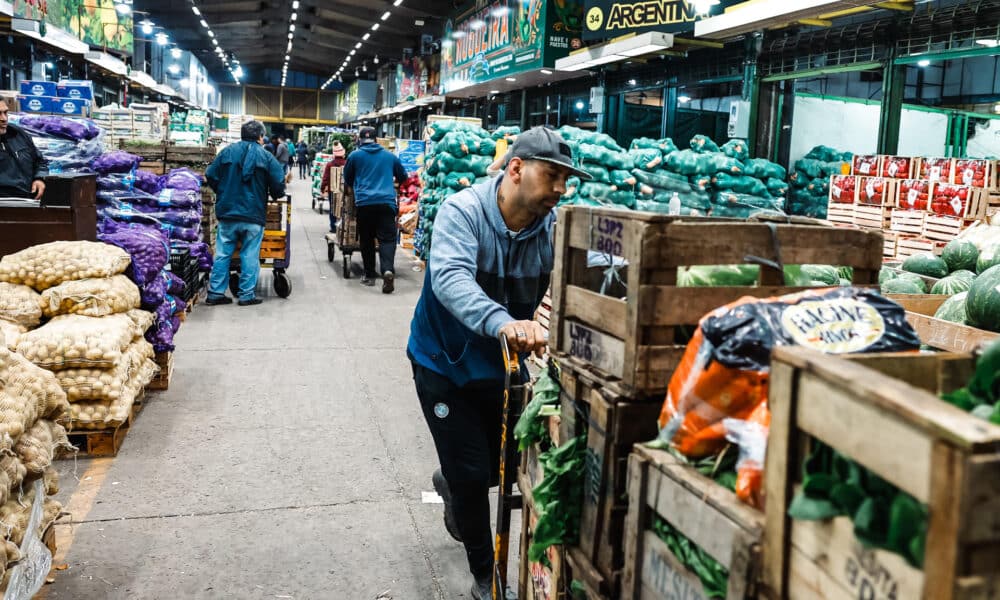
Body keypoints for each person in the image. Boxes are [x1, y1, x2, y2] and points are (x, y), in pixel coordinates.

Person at [406, 127, 590, 599]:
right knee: (473, 475)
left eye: (566, 180)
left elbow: (579, 280)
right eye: (552, 176)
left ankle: (450, 477)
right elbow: (448, 278)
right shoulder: (462, 212)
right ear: (515, 169)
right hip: (443, 362)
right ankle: (485, 576)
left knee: (505, 465)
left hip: (504, 364)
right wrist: (503, 321)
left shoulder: (552, 229)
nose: (560, 190)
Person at [203, 120, 286, 307]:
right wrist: (275, 193)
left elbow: (211, 174)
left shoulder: (226, 152)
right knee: (249, 254)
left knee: (223, 254)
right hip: (253, 214)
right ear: (260, 136)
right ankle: (246, 295)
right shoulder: (266, 157)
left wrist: (222, 191)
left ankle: (215, 293)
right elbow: (278, 184)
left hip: (228, 213)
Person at [343, 127, 407, 293]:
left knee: (367, 239)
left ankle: (370, 275)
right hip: (386, 203)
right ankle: (387, 270)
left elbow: (348, 179)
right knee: (387, 239)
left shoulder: (354, 156)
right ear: (377, 140)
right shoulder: (389, 156)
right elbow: (403, 177)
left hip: (365, 204)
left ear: (360, 140)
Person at [0, 99, 47, 199]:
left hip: (27, 201)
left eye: (5, 113)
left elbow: (39, 161)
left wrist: (39, 178)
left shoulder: (18, 134)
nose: (4, 119)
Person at [320, 140, 348, 234]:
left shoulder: (330, 164)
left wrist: (322, 188)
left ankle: (333, 227)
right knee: (344, 208)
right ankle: (343, 227)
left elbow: (326, 178)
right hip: (345, 190)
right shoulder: (347, 163)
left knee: (333, 208)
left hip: (333, 190)